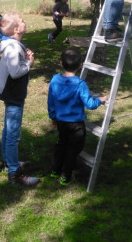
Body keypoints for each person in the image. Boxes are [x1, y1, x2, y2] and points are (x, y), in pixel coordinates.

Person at [0, 12, 41, 187]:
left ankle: (8, 161)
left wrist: (25, 57)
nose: (24, 21)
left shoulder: (13, 44)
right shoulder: (12, 48)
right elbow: (15, 72)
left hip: (11, 94)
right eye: (21, 21)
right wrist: (29, 63)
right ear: (16, 29)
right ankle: (15, 173)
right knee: (13, 135)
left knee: (8, 130)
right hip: (14, 95)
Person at [48, 48, 108, 185]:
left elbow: (50, 101)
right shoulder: (80, 84)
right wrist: (100, 99)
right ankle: (66, 176)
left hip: (61, 122)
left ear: (61, 63)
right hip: (76, 125)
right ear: (81, 65)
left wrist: (53, 117)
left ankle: (55, 170)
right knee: (72, 150)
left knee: (61, 144)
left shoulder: (55, 80)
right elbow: (90, 104)